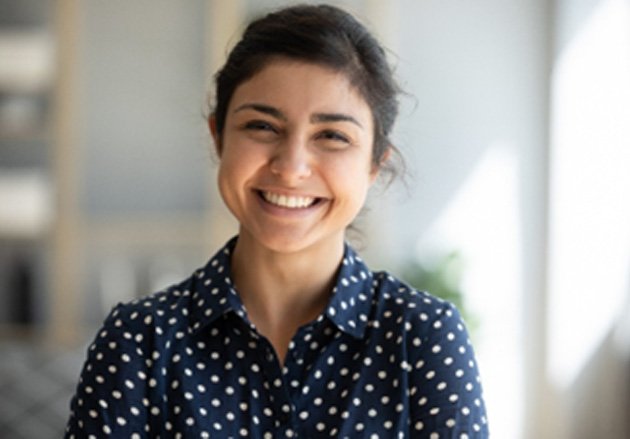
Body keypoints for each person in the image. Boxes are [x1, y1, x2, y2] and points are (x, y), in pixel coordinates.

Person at [65, 4, 488, 438]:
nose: (291, 167)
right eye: (263, 126)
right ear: (218, 136)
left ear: (375, 164)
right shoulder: (139, 341)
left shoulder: (422, 337)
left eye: (332, 136)